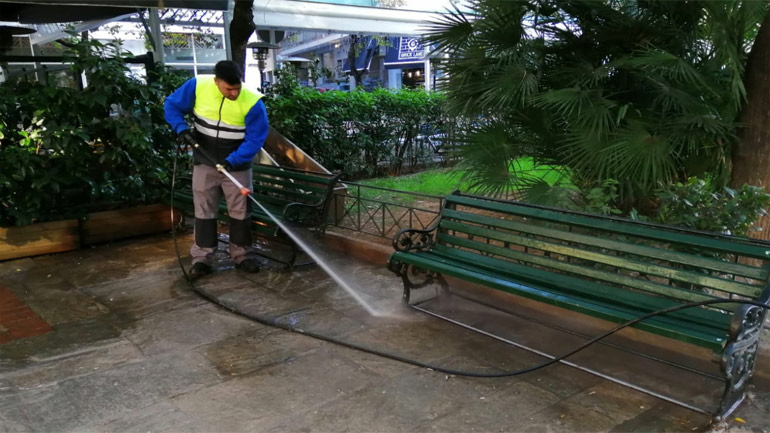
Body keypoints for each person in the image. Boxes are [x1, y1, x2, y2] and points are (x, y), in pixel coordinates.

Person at [164, 60, 269, 280]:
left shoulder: (253, 102)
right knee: (204, 212)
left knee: (240, 213)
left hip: (237, 166)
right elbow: (171, 105)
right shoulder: (198, 86)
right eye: (228, 88)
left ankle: (242, 256)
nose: (233, 93)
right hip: (204, 160)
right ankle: (202, 259)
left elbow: (255, 138)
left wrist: (233, 160)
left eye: (236, 88)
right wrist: (181, 128)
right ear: (216, 82)